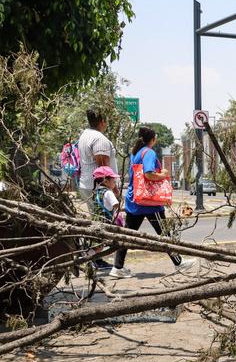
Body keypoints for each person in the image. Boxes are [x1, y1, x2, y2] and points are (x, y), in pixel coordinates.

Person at [110, 127, 194, 278]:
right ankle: (179, 263)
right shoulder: (149, 152)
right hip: (150, 202)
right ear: (153, 139)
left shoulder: (135, 153)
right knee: (165, 234)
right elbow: (149, 174)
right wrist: (163, 174)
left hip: (135, 200)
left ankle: (117, 267)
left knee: (127, 234)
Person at [77, 109, 117, 269]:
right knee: (102, 224)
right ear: (101, 121)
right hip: (99, 188)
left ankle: (94, 257)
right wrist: (113, 189)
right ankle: (91, 257)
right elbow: (103, 168)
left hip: (88, 184)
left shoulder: (85, 135)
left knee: (98, 223)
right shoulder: (99, 139)